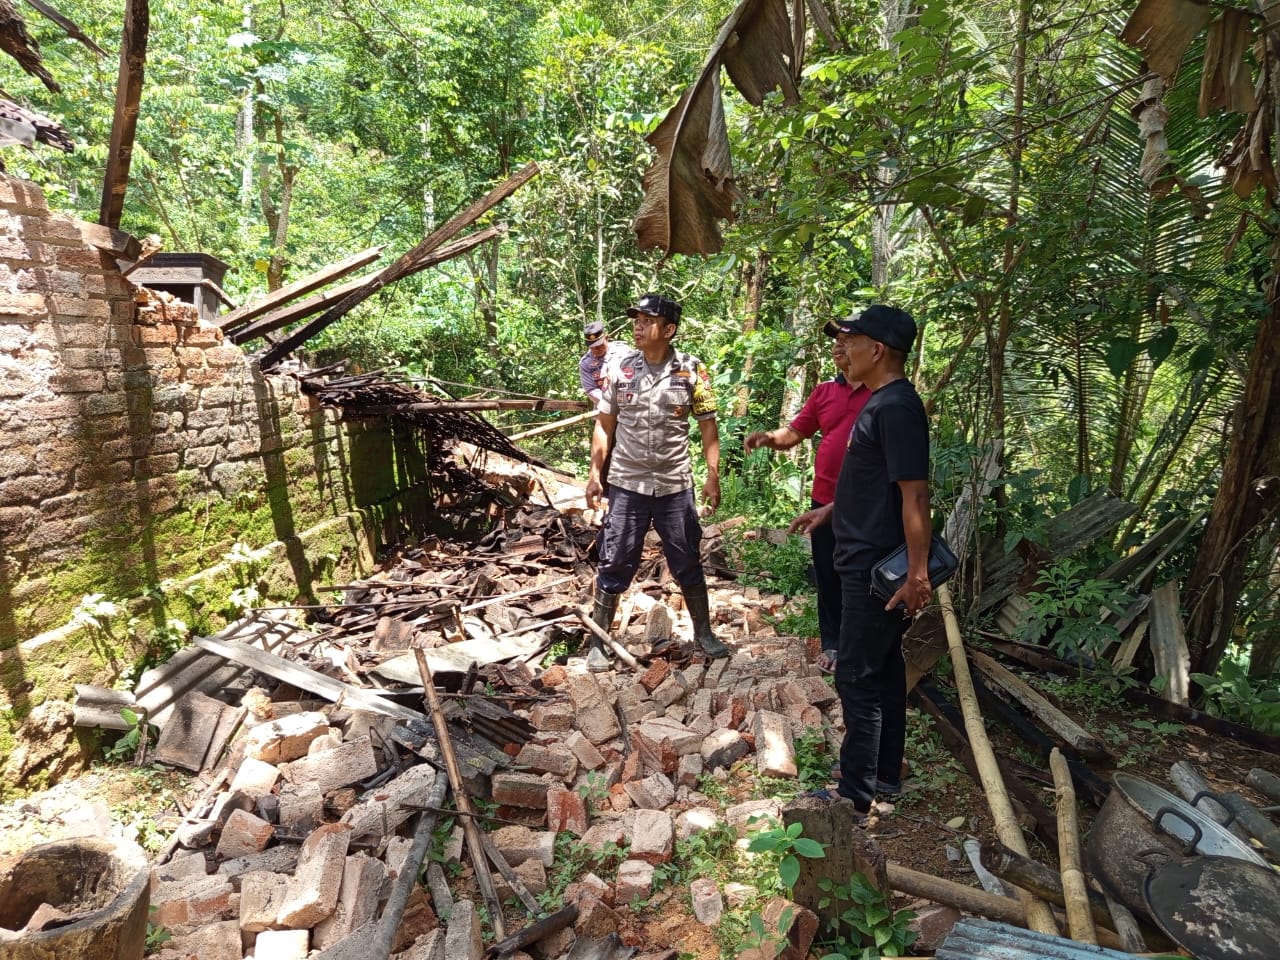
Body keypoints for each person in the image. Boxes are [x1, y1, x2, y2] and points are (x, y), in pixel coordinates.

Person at [789, 305, 931, 821]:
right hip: (859, 551)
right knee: (885, 667)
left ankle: (854, 794)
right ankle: (884, 774)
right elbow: (875, 485)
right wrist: (829, 511)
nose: (842, 350)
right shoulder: (880, 404)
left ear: (877, 350)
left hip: (875, 568)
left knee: (858, 674)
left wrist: (917, 576)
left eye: (850, 341)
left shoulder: (895, 407)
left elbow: (915, 496)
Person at [584, 293, 730, 668]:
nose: (638, 325)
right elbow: (605, 424)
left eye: (647, 320)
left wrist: (713, 477)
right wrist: (594, 475)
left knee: (686, 560)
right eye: (636, 319)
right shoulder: (620, 369)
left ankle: (704, 632)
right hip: (627, 483)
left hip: (674, 485)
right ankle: (599, 641)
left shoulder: (691, 371)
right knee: (615, 559)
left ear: (669, 329)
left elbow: (708, 427)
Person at [745, 326, 870, 674]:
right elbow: (796, 432)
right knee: (828, 574)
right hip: (823, 500)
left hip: (863, 504)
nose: (838, 347)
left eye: (847, 340)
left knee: (859, 575)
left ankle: (862, 645)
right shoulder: (825, 392)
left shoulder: (881, 394)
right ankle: (833, 643)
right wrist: (769, 438)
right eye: (835, 341)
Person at [579, 320, 625, 406]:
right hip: (605, 409)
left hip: (629, 408)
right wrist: (612, 402)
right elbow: (591, 390)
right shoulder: (585, 363)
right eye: (593, 347)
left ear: (606, 338)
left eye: (600, 345)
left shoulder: (623, 351)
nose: (597, 349)